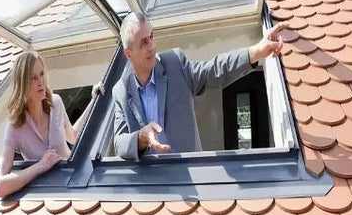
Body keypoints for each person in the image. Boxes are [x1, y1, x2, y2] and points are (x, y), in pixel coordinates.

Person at [113, 12, 286, 160]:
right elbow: (119, 143)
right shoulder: (121, 90)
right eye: (143, 43)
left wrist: (255, 52)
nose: (152, 46)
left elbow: (213, 70)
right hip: (152, 188)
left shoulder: (174, 64)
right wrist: (141, 138)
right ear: (128, 54)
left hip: (190, 177)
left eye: (151, 37)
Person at [0, 50, 103, 197]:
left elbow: (73, 136)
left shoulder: (56, 103)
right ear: (22, 84)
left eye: (41, 74)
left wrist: (93, 100)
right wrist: (41, 166)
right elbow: (0, 187)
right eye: (33, 78)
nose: (41, 81)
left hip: (75, 184)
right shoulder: (15, 127)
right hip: (46, 196)